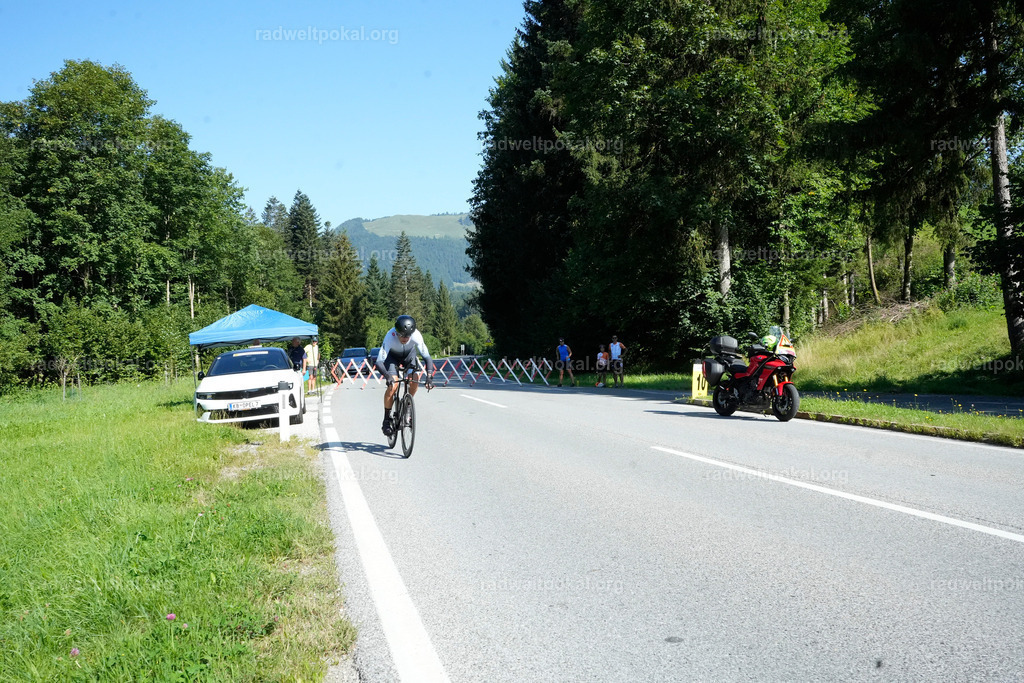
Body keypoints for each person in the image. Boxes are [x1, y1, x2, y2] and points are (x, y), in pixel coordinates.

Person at [376, 315, 434, 436]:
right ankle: (386, 419)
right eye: (401, 335)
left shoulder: (416, 335)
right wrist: (387, 376)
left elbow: (427, 357)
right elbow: (379, 362)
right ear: (396, 332)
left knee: (415, 380)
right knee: (393, 385)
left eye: (407, 336)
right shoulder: (390, 336)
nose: (404, 338)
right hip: (392, 357)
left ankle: (407, 406)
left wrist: (429, 377)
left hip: (409, 355)